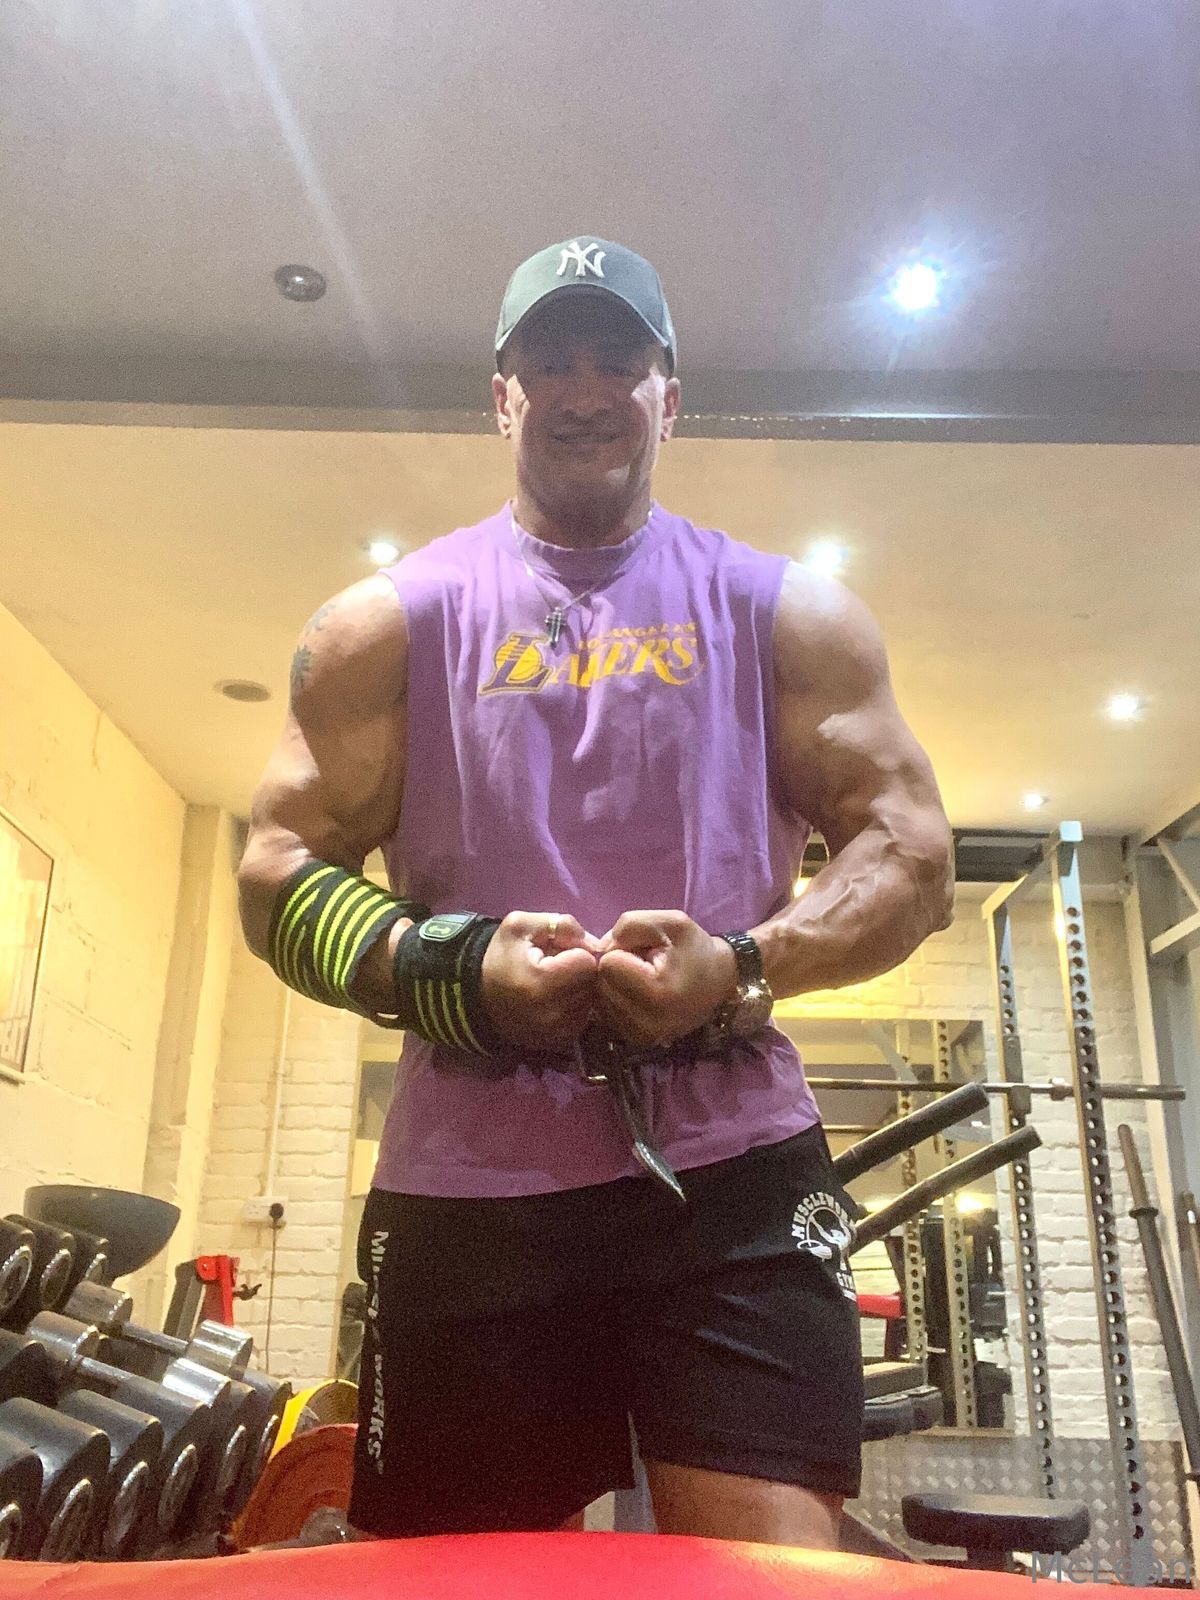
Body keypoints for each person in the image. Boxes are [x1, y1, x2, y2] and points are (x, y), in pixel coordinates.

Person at [238, 235, 955, 1548]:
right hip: (474, 1190)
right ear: (500, 396)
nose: (583, 388)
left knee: (766, 1570)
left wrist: (743, 970)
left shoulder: (788, 615)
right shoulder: (382, 627)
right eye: (549, 360)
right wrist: (455, 976)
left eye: (617, 359)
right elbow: (277, 874)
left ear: (669, 397)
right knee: (465, 1581)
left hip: (731, 1173)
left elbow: (912, 856)